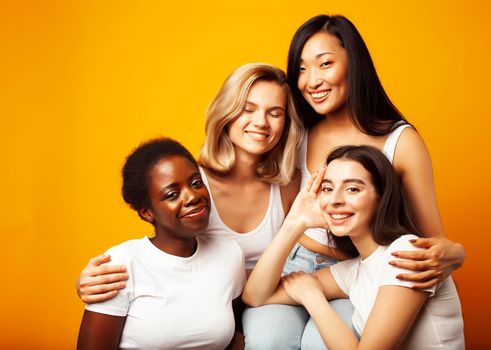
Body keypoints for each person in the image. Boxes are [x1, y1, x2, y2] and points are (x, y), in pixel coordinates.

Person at [242, 145, 464, 350]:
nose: (335, 200)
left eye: (352, 189)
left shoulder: (407, 254)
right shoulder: (356, 270)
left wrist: (312, 297)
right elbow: (256, 296)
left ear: (381, 197)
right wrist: (295, 222)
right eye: (328, 189)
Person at [77, 138, 246, 350]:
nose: (192, 196)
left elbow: (236, 335)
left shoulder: (229, 253)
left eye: (196, 183)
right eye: (172, 195)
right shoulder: (120, 266)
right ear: (147, 212)